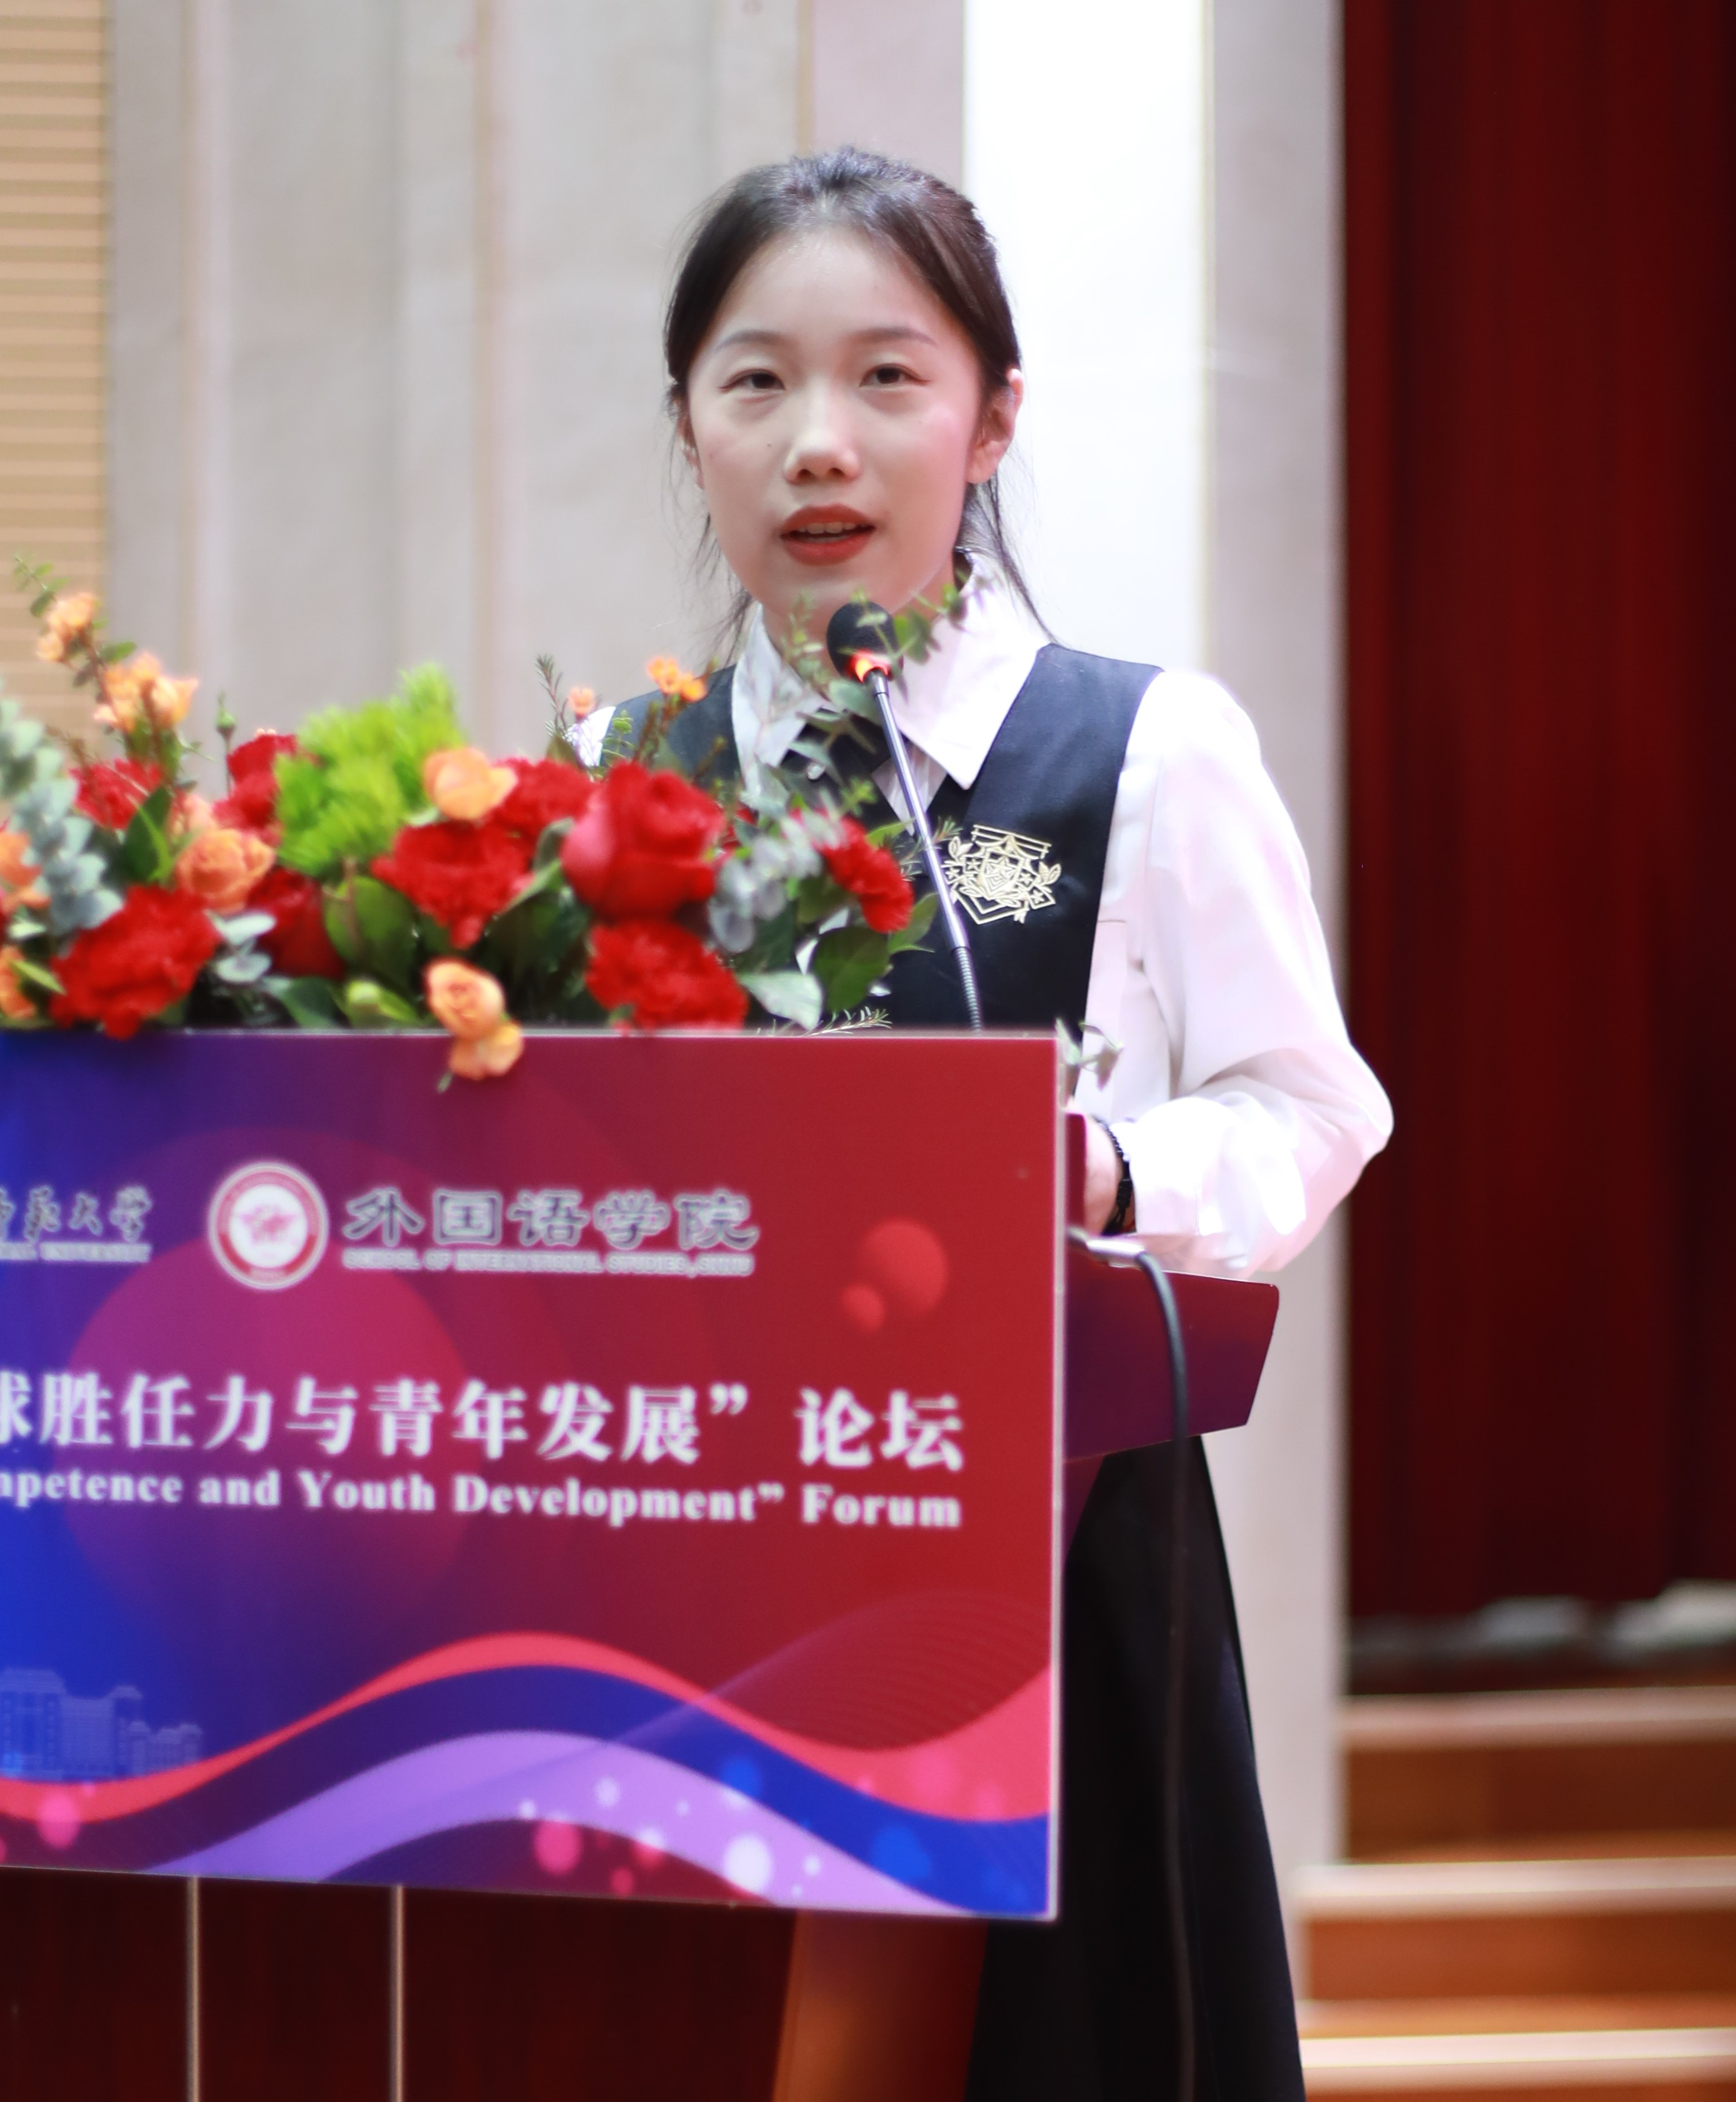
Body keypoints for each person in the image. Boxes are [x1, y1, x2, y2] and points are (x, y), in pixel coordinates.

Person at [614, 147, 1392, 2102]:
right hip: (684, 1564)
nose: (819, 441)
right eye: (755, 381)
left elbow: (1310, 1104)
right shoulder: (613, 782)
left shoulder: (1139, 746)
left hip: (1054, 1551)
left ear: (991, 419)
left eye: (887, 377)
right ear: (690, 425)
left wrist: (1110, 1169)